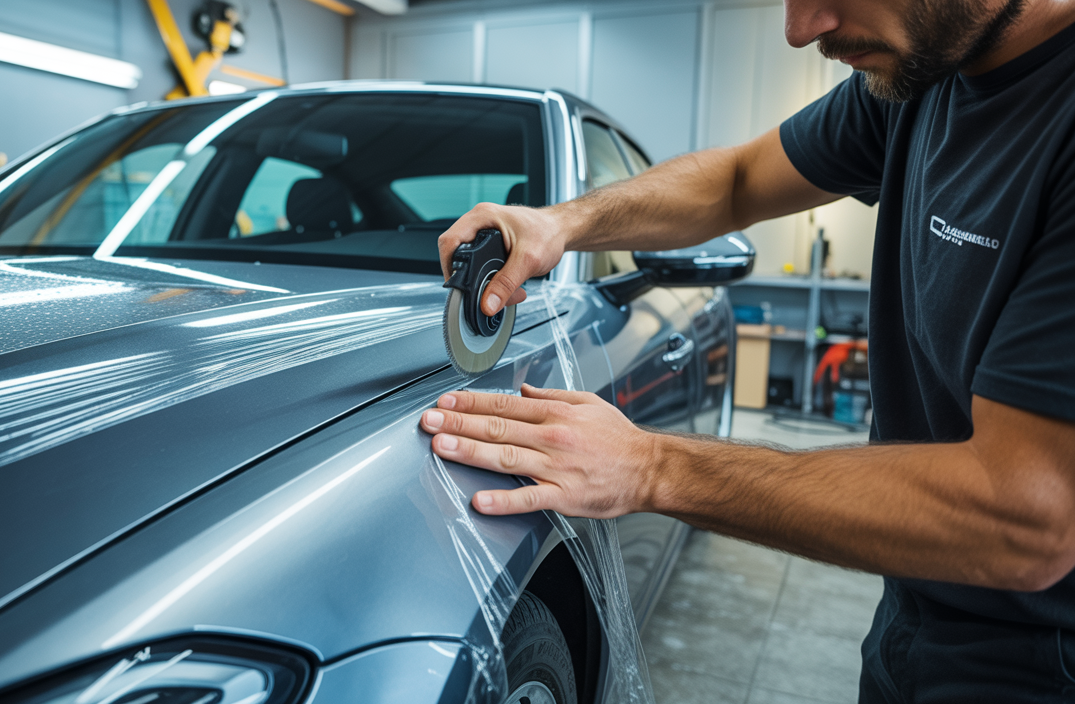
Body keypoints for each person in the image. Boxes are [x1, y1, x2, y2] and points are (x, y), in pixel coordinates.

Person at [421, 0, 1075, 700]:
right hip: (915, 615)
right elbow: (735, 180)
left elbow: (1023, 518)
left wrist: (653, 466)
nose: (800, 30)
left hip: (1039, 663)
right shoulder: (927, 71)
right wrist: (560, 222)